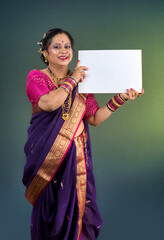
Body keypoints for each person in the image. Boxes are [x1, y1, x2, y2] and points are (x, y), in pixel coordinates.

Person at [22, 28, 144, 240]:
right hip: (46, 160)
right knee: (50, 215)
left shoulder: (82, 82)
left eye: (67, 46)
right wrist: (74, 80)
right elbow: (49, 103)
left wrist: (121, 98)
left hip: (76, 159)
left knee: (78, 212)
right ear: (45, 53)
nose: (63, 51)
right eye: (56, 46)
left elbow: (94, 118)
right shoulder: (37, 77)